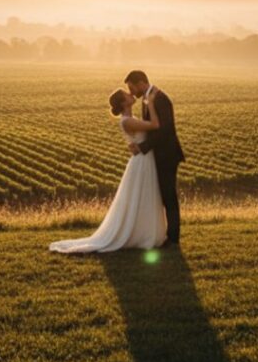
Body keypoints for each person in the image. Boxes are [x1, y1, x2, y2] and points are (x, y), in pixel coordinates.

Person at [49, 87, 167, 253]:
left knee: (142, 197)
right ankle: (142, 234)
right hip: (141, 162)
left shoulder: (129, 118)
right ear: (123, 102)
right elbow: (155, 124)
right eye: (127, 94)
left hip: (143, 159)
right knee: (141, 196)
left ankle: (143, 231)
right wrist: (152, 104)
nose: (131, 94)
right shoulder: (128, 121)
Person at [124, 70, 185, 245]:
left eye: (131, 87)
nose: (131, 92)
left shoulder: (160, 98)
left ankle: (173, 238)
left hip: (167, 155)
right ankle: (163, 234)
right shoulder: (148, 98)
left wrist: (142, 147)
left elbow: (165, 129)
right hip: (157, 155)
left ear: (141, 83)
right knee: (163, 195)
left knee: (168, 195)